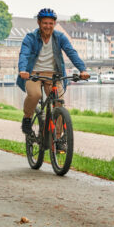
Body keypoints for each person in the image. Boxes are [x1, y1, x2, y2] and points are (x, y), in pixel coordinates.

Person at [17, 8, 90, 138]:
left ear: (54, 24)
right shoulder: (30, 38)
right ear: (39, 23)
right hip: (33, 73)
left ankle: (57, 138)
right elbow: (24, 54)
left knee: (59, 103)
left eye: (51, 23)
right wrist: (23, 70)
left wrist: (82, 69)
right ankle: (27, 118)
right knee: (35, 95)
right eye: (45, 23)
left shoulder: (60, 37)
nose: (48, 26)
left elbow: (71, 52)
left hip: (54, 74)